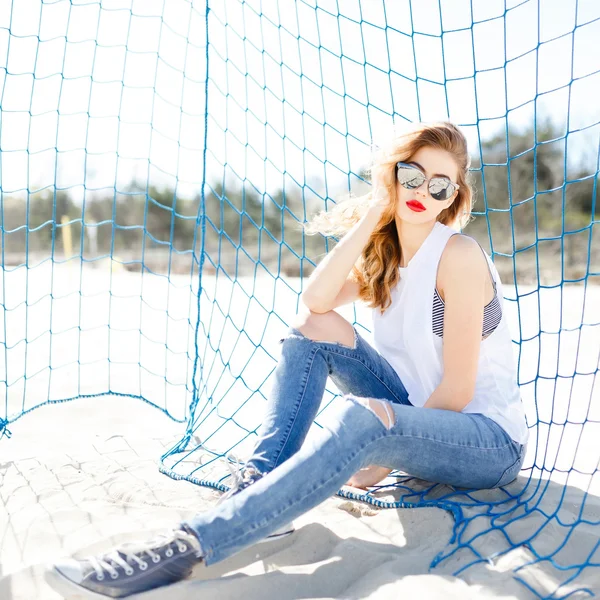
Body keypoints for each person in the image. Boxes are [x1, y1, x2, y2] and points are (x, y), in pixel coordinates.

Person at [46, 121, 529, 599]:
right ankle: (261, 483)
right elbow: (316, 301)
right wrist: (372, 218)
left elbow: (461, 390)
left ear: (454, 198)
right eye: (412, 176)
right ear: (393, 178)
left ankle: (188, 549)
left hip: (485, 440)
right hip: (416, 417)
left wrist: (381, 457)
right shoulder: (390, 256)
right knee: (310, 330)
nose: (424, 191)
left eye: (441, 185)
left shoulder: (458, 256)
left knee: (362, 419)